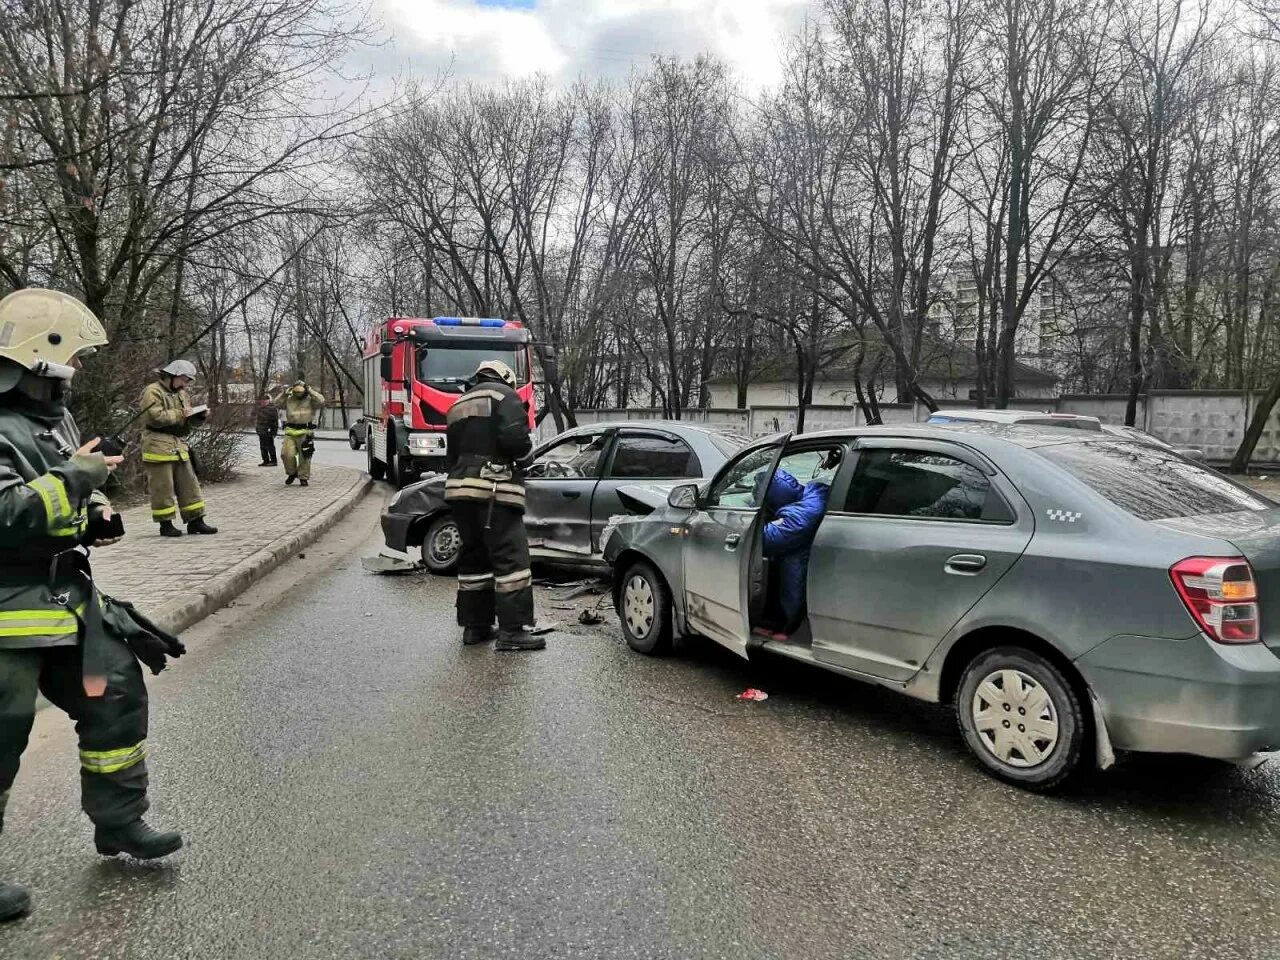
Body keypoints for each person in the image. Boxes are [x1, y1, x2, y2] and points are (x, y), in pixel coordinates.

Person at [0, 289, 187, 923]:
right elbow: (7, 514)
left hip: (67, 603)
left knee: (115, 698)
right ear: (36, 356)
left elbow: (62, 500)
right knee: (2, 733)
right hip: (8, 614)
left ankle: (120, 825)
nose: (76, 367)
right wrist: (79, 479)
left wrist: (96, 517)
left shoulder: (56, 421)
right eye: (71, 355)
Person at [444, 359, 542, 651]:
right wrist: (526, 458)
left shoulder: (457, 405)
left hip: (460, 492)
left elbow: (451, 457)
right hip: (493, 492)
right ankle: (512, 632)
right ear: (506, 378)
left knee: (475, 560)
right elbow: (514, 438)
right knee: (511, 559)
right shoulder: (504, 395)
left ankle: (476, 628)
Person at [139, 360, 217, 537]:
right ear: (172, 376)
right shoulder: (152, 392)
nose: (185, 384)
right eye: (183, 379)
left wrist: (198, 418)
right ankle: (166, 524)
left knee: (190, 485)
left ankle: (196, 521)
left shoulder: (182, 394)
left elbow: (185, 425)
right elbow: (155, 417)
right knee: (162, 488)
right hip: (157, 446)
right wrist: (182, 414)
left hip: (179, 446)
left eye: (187, 381)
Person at [760, 469, 831, 634]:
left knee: (792, 560)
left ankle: (787, 625)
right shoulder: (814, 493)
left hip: (802, 568)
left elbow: (765, 539)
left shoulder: (801, 516)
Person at [273, 378, 324, 486]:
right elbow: (276, 403)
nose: (298, 394)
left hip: (305, 431)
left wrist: (310, 390)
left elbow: (321, 400)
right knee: (286, 454)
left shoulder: (311, 399)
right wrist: (284, 393)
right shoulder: (289, 399)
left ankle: (303, 477)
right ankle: (292, 473)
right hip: (290, 431)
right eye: (296, 392)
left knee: (305, 456)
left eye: (300, 392)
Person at [255, 393, 279, 467]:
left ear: (268, 401)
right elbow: (258, 420)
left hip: (268, 431)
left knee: (270, 446)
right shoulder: (260, 409)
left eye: (265, 401)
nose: (263, 402)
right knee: (263, 447)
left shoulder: (272, 409)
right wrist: (257, 429)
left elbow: (275, 421)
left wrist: (274, 432)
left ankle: (274, 461)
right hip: (261, 431)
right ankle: (265, 460)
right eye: (262, 401)